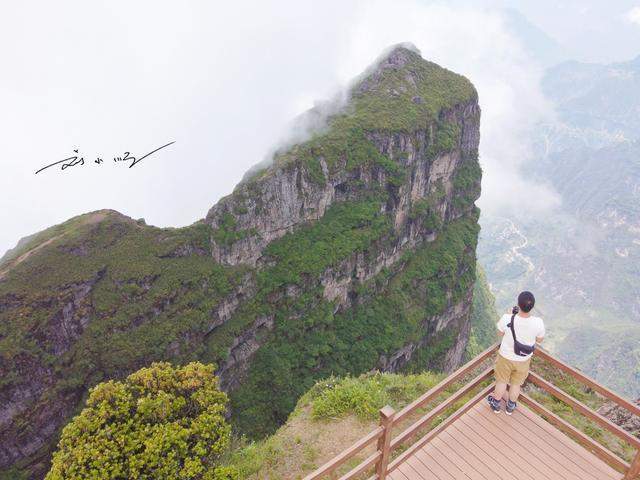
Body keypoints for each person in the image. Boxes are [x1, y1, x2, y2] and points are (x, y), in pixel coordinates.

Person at [487, 291, 545, 415]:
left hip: (506, 357)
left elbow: (500, 333)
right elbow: (539, 340)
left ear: (518, 304)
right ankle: (510, 407)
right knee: (516, 384)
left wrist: (508, 315)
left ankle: (496, 404)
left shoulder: (508, 318)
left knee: (501, 381)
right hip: (524, 359)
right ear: (532, 306)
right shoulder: (538, 322)